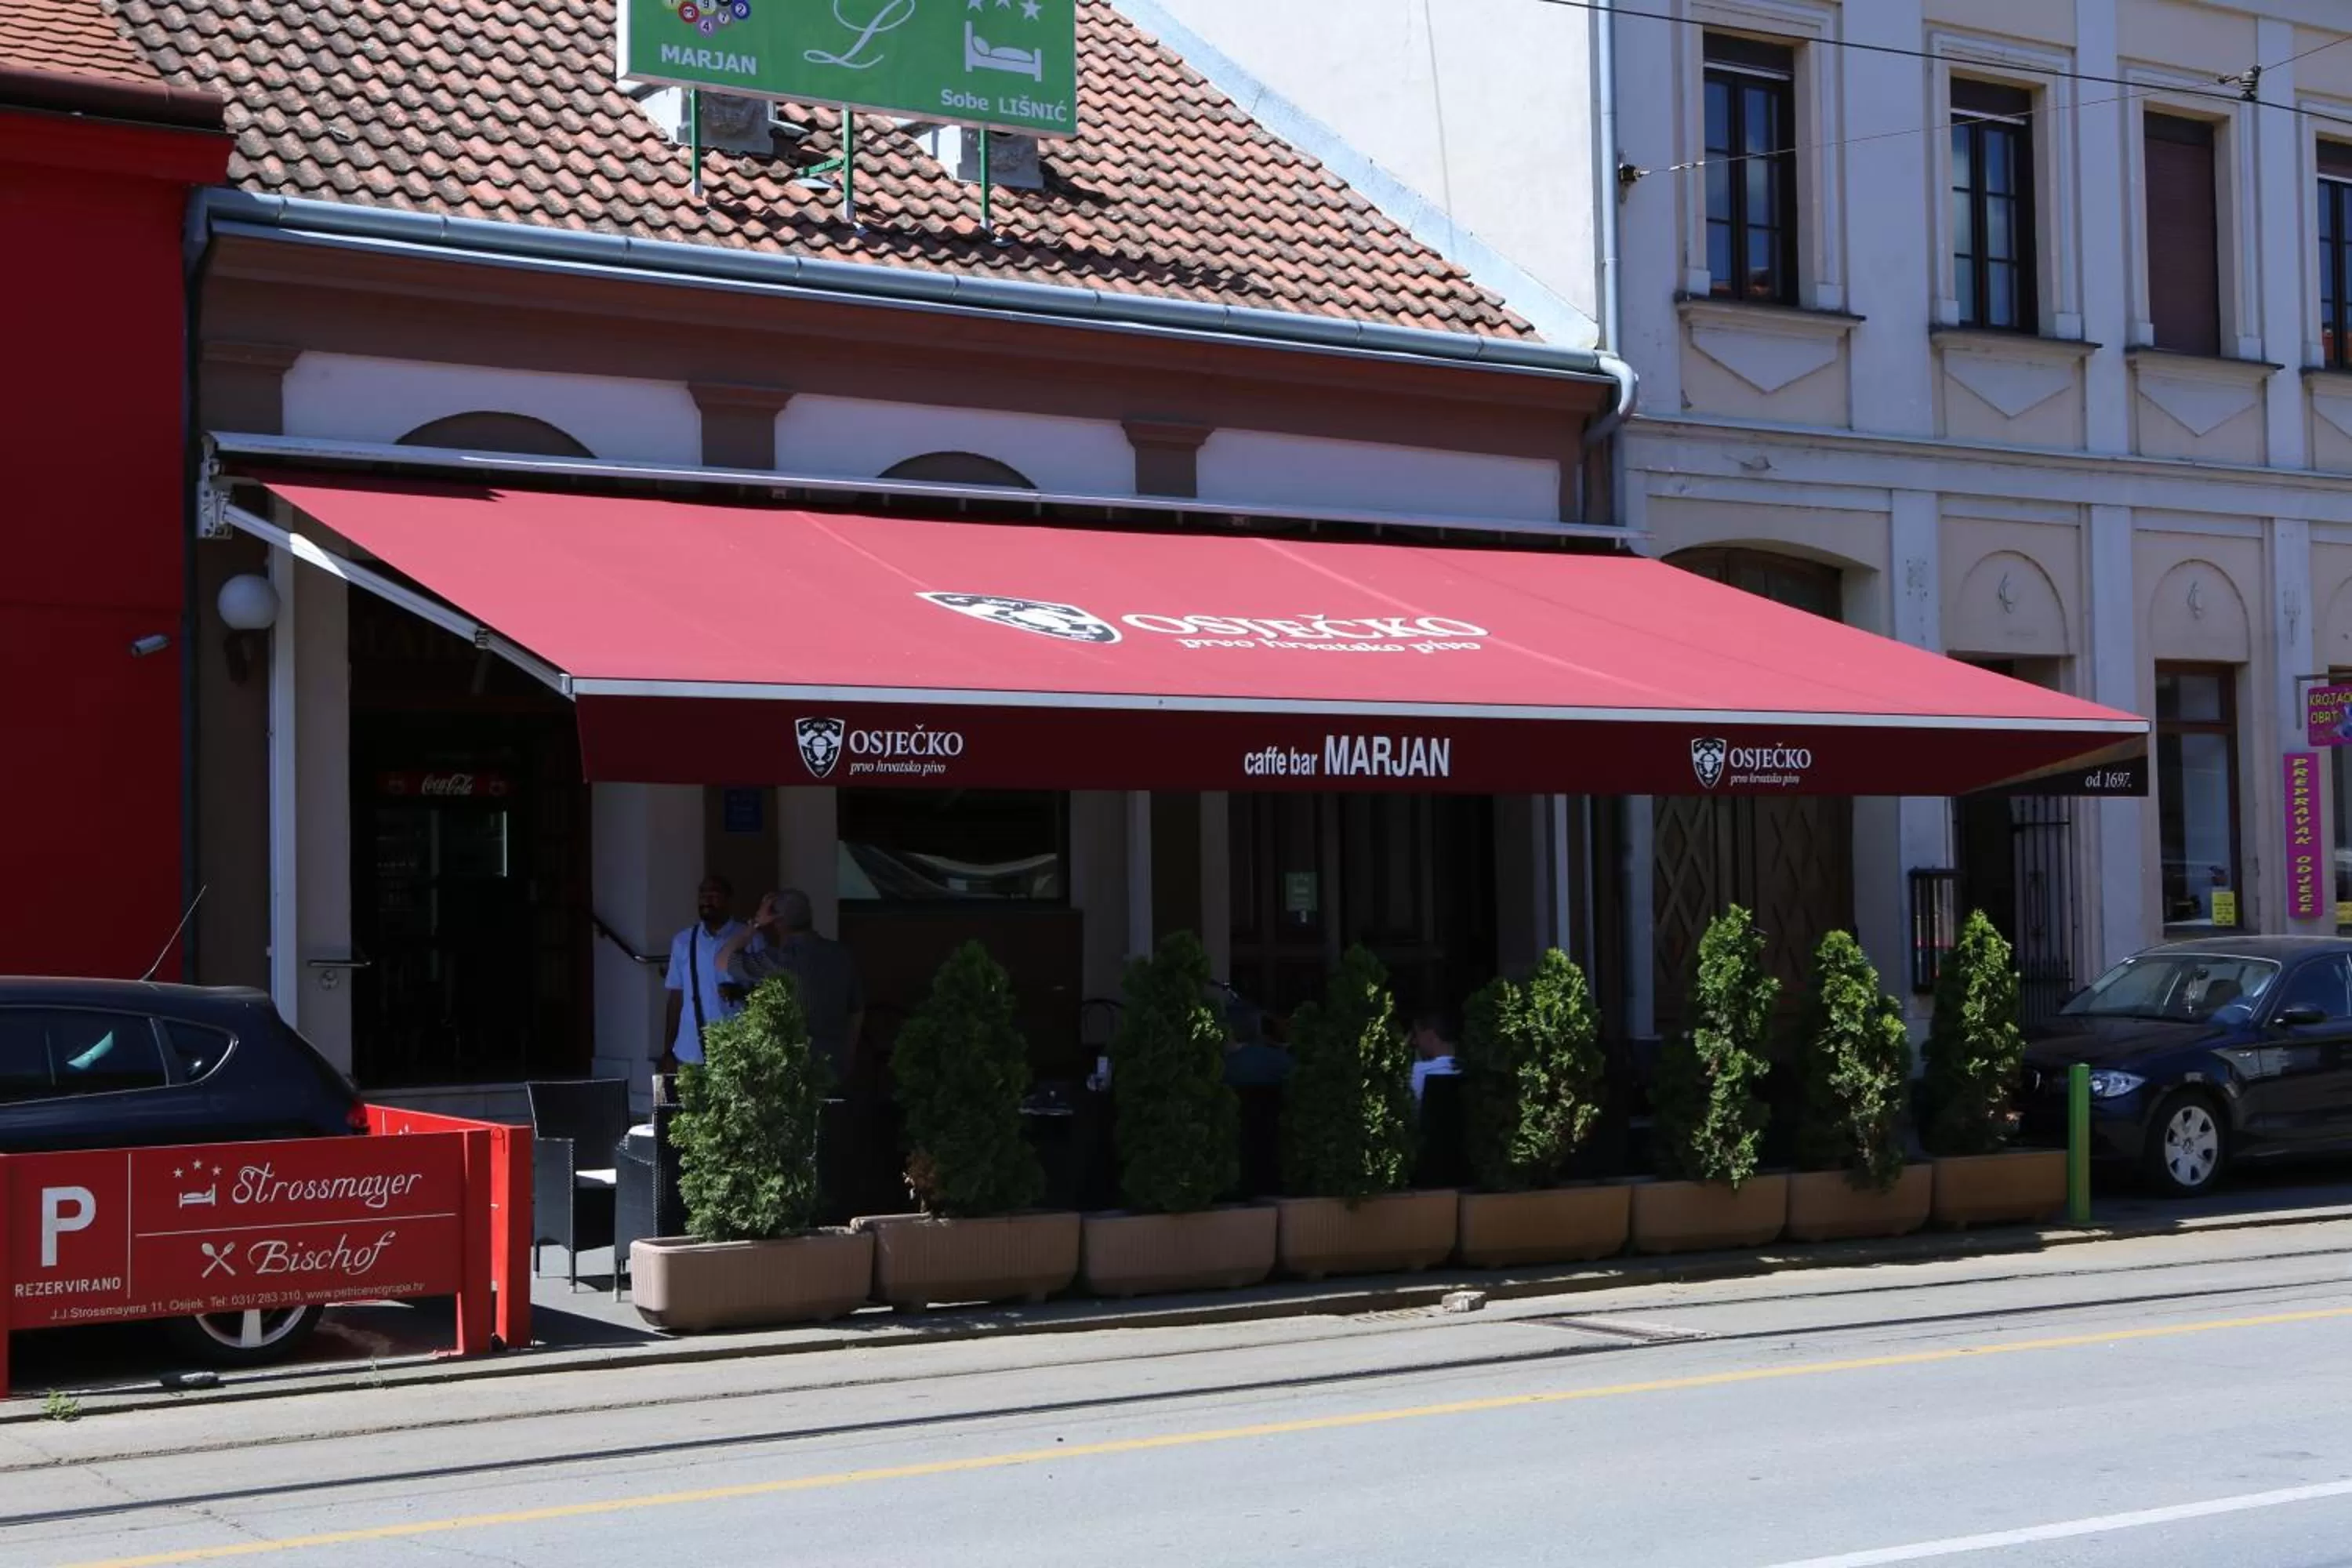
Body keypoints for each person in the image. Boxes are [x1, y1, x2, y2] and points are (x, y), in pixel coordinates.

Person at [717, 888, 865, 1083]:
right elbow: (856, 1011)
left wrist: (755, 923)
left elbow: (722, 960)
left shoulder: (777, 960)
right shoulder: (841, 955)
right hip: (834, 1064)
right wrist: (848, 1055)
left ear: (778, 922)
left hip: (793, 1071)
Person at [662, 876, 753, 1074]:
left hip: (735, 1053)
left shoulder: (749, 938)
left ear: (729, 899)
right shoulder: (683, 941)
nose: (706, 899)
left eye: (714, 893)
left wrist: (739, 993)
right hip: (690, 1053)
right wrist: (668, 1050)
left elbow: (765, 992)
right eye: (702, 893)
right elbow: (676, 997)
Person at [1408, 1008, 1459, 1103]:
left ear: (1429, 1034)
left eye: (1416, 1035)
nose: (1414, 1042)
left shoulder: (1414, 1074)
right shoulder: (1473, 1071)